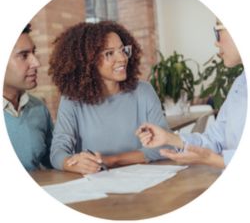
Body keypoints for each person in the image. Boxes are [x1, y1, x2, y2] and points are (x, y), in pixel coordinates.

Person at [48, 21, 171, 175]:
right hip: (96, 188)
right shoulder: (72, 100)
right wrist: (71, 163)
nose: (122, 58)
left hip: (144, 182)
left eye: (122, 50)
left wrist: (111, 160)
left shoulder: (143, 92)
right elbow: (57, 152)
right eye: (109, 53)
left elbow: (166, 146)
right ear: (88, 62)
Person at [136, 20, 247, 169]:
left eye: (217, 32)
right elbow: (215, 139)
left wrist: (214, 160)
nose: (216, 42)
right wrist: (170, 138)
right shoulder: (240, 84)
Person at [3, 24, 53, 171]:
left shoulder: (38, 108)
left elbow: (54, 160)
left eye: (34, 53)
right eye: (24, 55)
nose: (36, 63)